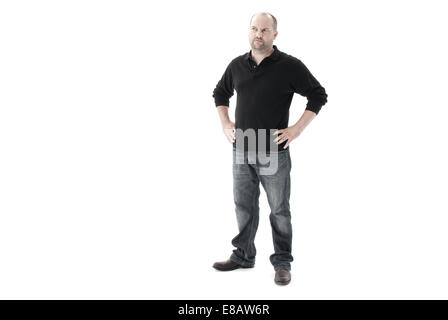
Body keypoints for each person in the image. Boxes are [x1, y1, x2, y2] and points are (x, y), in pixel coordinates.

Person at [212, 12, 328, 285]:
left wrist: (297, 129)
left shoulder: (289, 66)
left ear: (275, 34)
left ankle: (283, 262)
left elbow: (318, 94)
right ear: (249, 31)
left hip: (273, 149)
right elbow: (220, 92)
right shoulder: (237, 65)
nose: (258, 34)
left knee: (279, 209)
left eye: (265, 29)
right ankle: (243, 255)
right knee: (244, 206)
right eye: (254, 28)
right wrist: (225, 121)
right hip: (242, 146)